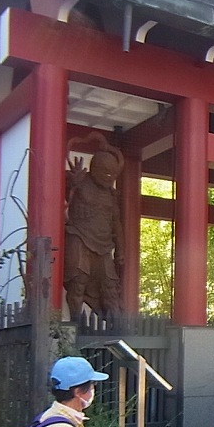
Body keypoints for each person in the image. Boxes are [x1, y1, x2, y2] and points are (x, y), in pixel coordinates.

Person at [64, 135, 124, 318]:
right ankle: (75, 325)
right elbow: (64, 197)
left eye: (112, 174)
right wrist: (71, 185)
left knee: (110, 287)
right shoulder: (80, 180)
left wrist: (120, 250)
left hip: (104, 245)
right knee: (78, 282)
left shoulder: (111, 195)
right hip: (79, 236)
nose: (109, 178)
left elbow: (116, 222)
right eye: (105, 173)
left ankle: (116, 329)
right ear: (95, 169)